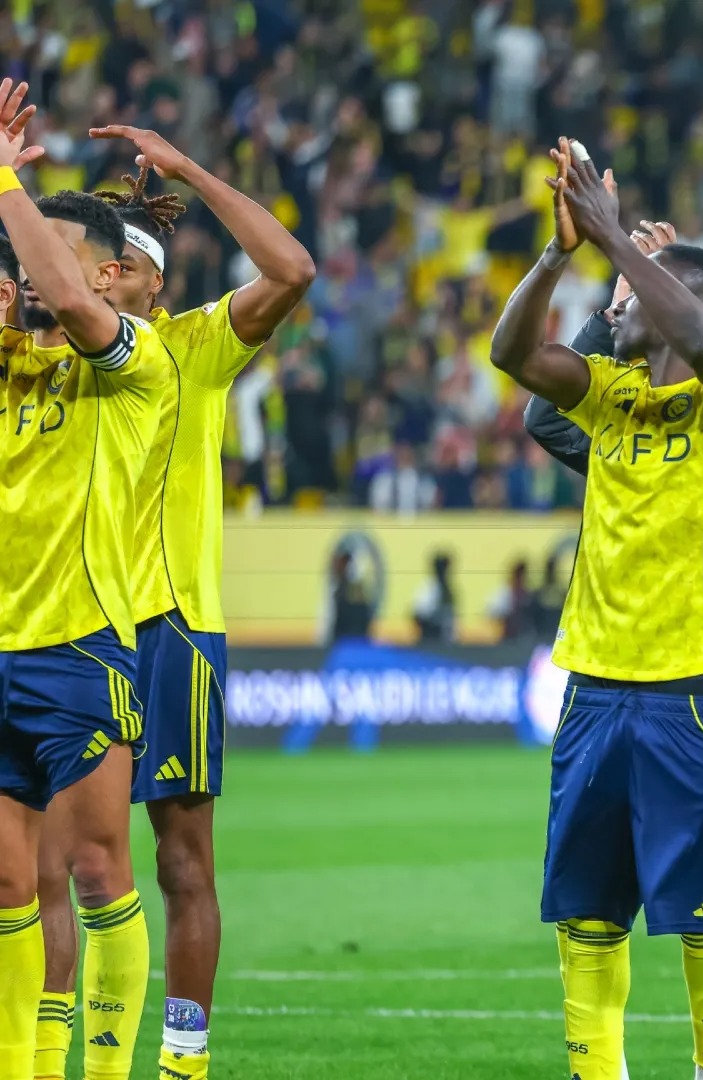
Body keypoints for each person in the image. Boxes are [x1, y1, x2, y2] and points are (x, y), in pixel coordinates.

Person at [491, 137, 703, 1080]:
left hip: (696, 696)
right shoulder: (609, 394)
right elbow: (511, 353)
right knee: (587, 922)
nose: (613, 308)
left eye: (628, 301)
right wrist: (562, 251)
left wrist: (619, 238)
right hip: (593, 693)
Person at [31, 126, 314, 1080]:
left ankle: (182, 1062)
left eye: (122, 267)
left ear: (147, 281)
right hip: (75, 624)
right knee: (59, 865)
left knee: (181, 864)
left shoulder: (196, 346)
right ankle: (49, 1054)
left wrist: (190, 169)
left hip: (173, 630)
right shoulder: (48, 356)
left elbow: (291, 269)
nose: (99, 280)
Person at [0, 80, 169, 1080]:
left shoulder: (134, 363)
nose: (31, 271)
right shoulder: (10, 359)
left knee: (100, 868)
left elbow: (66, 301)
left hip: (79, 645)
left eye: (48, 253)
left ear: (104, 272)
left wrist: (5, 179)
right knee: (9, 883)